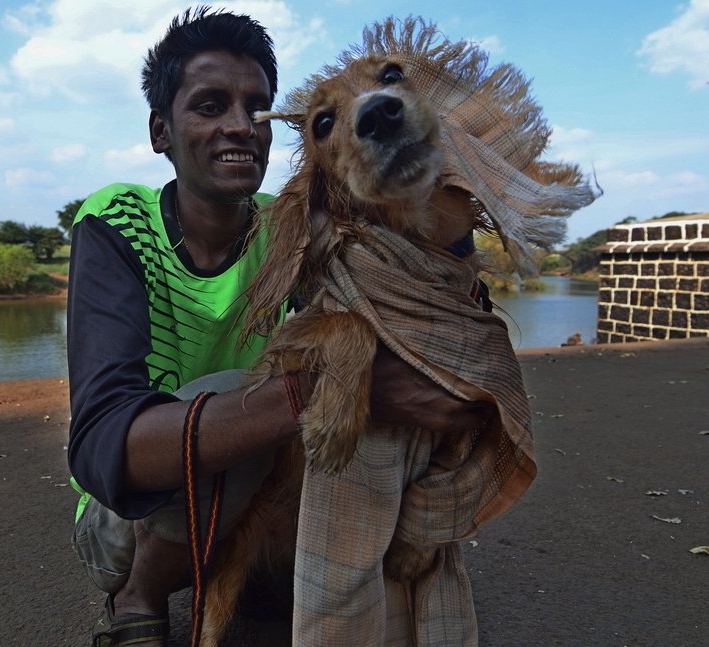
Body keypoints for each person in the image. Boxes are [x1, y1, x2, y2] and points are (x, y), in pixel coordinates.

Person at [66, 8, 490, 646]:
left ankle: (263, 569)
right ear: (161, 132)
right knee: (251, 393)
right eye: (210, 106)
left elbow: (396, 289)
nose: (239, 126)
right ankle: (139, 598)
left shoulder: (289, 224)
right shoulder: (118, 223)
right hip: (125, 520)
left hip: (253, 487)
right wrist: (317, 394)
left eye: (256, 108)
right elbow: (102, 447)